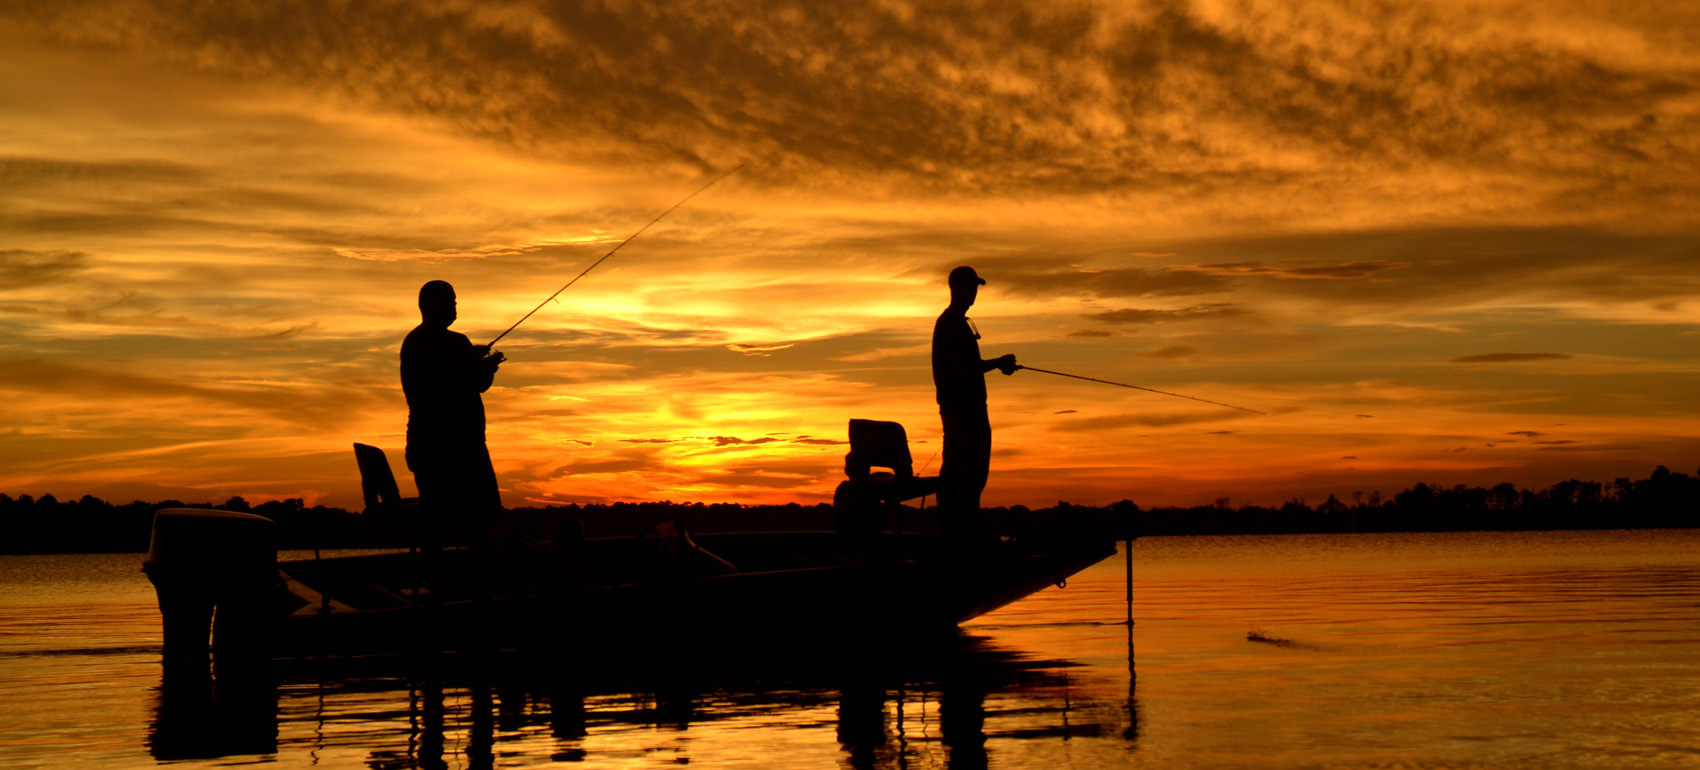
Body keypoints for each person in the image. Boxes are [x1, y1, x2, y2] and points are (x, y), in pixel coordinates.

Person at [401, 280, 506, 564]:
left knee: (485, 516)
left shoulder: (459, 342)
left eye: (455, 301)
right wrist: (464, 361)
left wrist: (487, 368)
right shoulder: (417, 343)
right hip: (434, 446)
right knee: (438, 521)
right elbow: (425, 388)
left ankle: (482, 576)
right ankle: (438, 580)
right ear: (427, 306)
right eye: (448, 301)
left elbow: (477, 385)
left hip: (471, 445)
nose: (454, 307)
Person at [931, 266, 1017, 542]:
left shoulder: (958, 323)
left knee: (959, 475)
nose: (974, 293)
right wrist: (997, 363)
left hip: (964, 411)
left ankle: (957, 535)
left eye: (976, 288)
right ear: (957, 289)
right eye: (971, 287)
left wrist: (996, 365)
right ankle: (963, 537)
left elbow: (967, 366)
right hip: (964, 413)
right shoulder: (951, 324)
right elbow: (961, 367)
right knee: (969, 476)